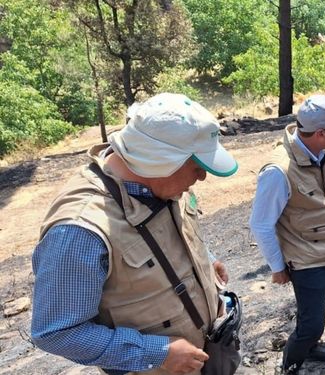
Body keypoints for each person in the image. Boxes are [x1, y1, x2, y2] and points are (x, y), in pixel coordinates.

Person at [31, 93, 240, 375]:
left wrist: (204, 259)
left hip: (207, 351)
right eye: (196, 167)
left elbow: (169, 231)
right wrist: (159, 354)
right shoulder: (79, 231)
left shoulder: (162, 184)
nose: (202, 178)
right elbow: (57, 332)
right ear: (159, 161)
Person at [249, 95, 325, 374]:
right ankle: (290, 365)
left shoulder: (323, 151)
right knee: (312, 324)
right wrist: (277, 268)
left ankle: (310, 347)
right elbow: (261, 224)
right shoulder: (278, 171)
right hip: (306, 261)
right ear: (320, 133)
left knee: (312, 312)